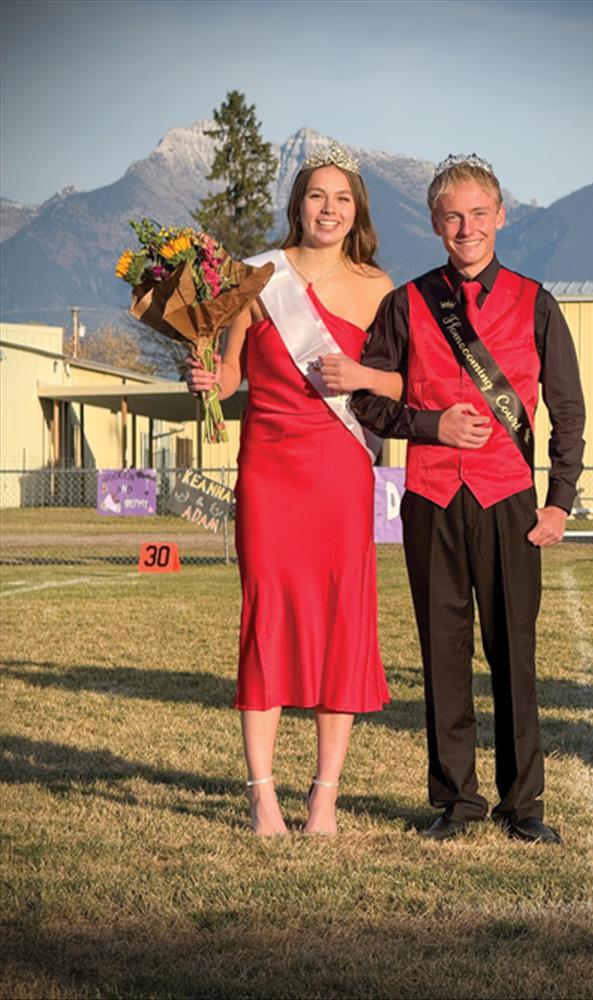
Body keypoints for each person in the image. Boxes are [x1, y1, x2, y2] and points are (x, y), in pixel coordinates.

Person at [351, 154, 586, 843]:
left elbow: (567, 409)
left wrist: (560, 500)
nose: (467, 227)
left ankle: (524, 806)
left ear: (500, 216)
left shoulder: (536, 300)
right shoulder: (407, 302)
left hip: (510, 499)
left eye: (479, 213)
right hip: (428, 498)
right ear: (434, 223)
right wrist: (430, 425)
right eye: (453, 215)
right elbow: (368, 399)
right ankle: (455, 802)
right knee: (442, 654)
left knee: (514, 653)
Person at [187, 144, 400, 836]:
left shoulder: (379, 288)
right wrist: (205, 380)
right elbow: (228, 377)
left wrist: (363, 379)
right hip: (269, 471)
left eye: (342, 198)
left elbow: (405, 385)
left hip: (340, 472)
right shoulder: (257, 277)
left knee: (340, 624)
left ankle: (325, 801)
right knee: (267, 621)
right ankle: (263, 798)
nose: (329, 209)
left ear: (356, 210)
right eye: (317, 196)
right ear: (297, 205)